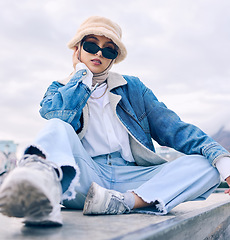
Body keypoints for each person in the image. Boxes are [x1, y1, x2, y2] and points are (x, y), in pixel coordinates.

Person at [0, 16, 230, 227]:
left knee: (207, 166)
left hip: (132, 180)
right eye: (91, 46)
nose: (98, 54)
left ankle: (124, 202)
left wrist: (224, 164)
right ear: (77, 49)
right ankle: (40, 195)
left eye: (108, 51)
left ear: (114, 58)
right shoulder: (59, 88)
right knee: (57, 126)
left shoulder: (133, 88)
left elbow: (176, 129)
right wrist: (81, 76)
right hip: (86, 177)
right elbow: (59, 117)